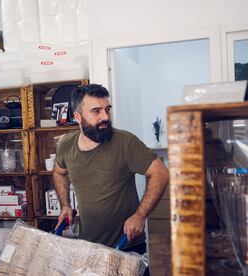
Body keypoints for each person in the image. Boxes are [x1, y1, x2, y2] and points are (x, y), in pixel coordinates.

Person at [53, 84, 169, 270]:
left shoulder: (125, 142)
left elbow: (160, 172)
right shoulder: (66, 145)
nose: (105, 117)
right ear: (77, 117)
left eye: (107, 110)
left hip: (127, 247)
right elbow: (59, 172)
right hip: (89, 247)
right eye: (96, 111)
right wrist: (65, 205)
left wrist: (140, 215)